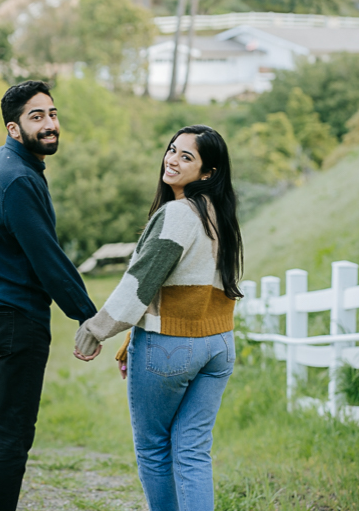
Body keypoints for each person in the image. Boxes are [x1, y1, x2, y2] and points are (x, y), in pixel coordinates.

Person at [73, 125, 243, 511]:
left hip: (172, 348)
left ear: (207, 173)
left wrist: (96, 330)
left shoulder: (178, 214)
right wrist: (132, 340)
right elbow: (186, 288)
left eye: (187, 157)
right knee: (193, 451)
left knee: (153, 449)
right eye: (172, 150)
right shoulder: (221, 216)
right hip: (218, 346)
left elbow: (140, 282)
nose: (172, 159)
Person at [0, 81, 101, 511]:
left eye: (52, 114)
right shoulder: (17, 178)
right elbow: (47, 259)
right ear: (14, 128)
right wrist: (89, 317)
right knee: (9, 438)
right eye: (37, 117)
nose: (50, 124)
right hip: (12, 318)